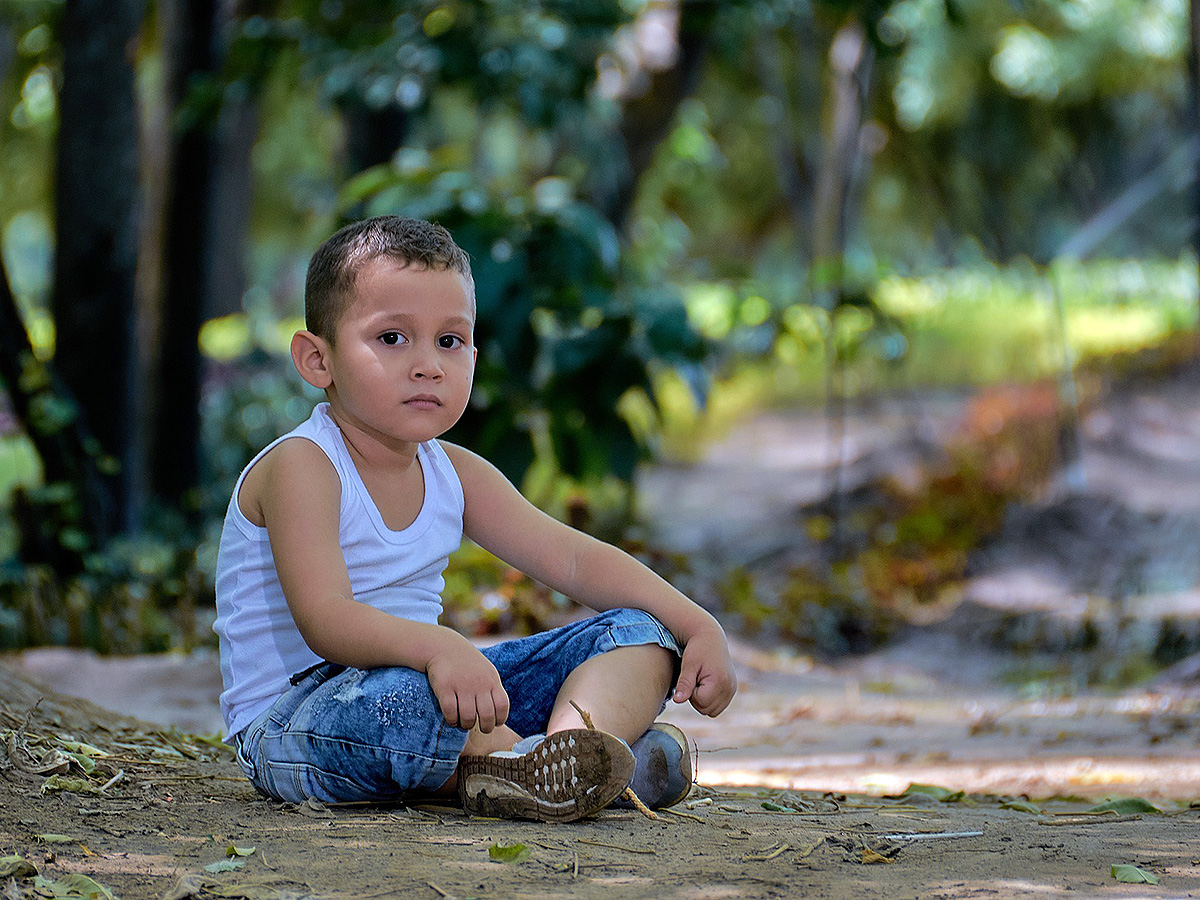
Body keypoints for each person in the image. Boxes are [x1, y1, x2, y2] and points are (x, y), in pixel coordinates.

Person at [213, 215, 737, 822]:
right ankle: (553, 764)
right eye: (391, 339)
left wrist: (697, 625)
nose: (427, 365)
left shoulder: (454, 472)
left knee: (638, 634)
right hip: (301, 717)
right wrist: (439, 649)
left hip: (435, 679)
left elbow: (573, 559)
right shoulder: (303, 464)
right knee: (413, 701)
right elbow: (324, 619)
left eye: (449, 341)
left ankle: (561, 755)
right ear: (317, 360)